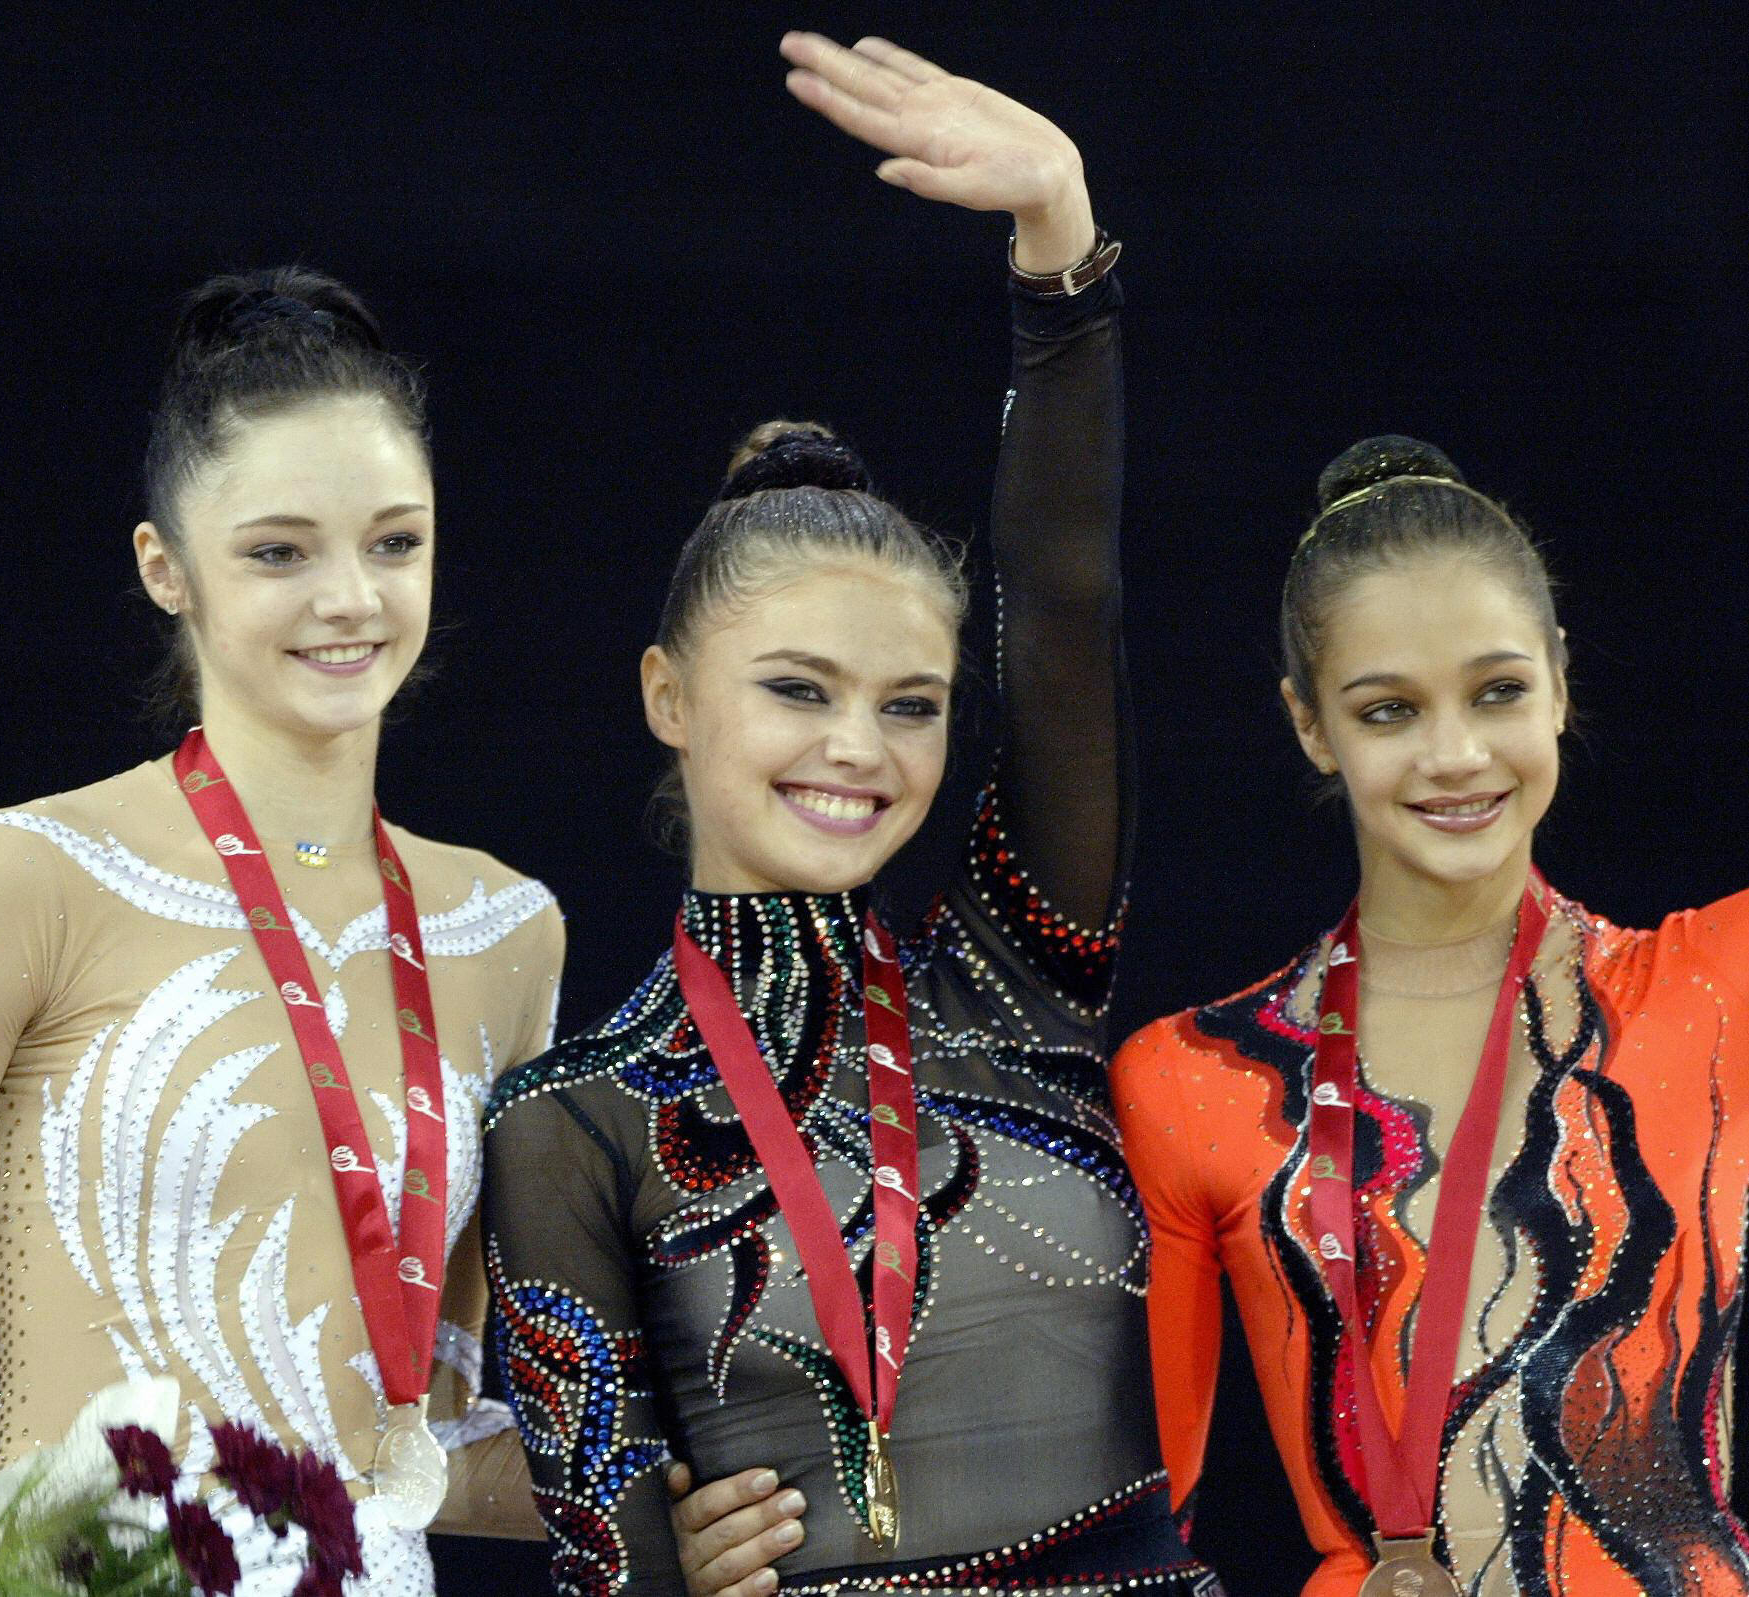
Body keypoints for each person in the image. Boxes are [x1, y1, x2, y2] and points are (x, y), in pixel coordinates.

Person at [481, 31, 1220, 1597]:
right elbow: (607, 1556)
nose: (856, 749)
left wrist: (1058, 245)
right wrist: (664, 1566)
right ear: (669, 695)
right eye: (798, 690)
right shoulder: (573, 1119)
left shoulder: (1023, 968)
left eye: (910, 703)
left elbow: (1064, 606)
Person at [0, 268, 562, 1593]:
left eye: (394, 543)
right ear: (164, 567)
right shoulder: (28, 877)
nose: (351, 598)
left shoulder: (504, 931)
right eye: (280, 551)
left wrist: (721, 1486)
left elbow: (422, 1438)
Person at [1111, 436, 1749, 1596]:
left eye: (1499, 691)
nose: (1456, 754)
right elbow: (1134, 1532)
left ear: (1560, 682)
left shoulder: (1721, 983)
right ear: (1311, 724)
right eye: (1389, 710)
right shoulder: (1196, 1077)